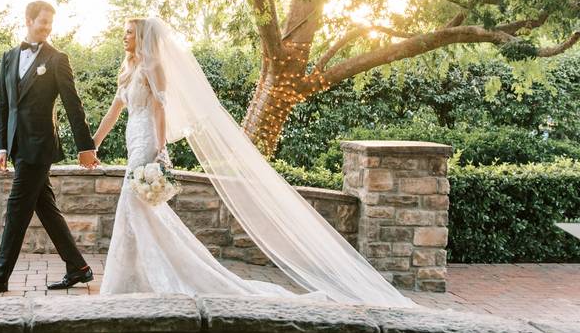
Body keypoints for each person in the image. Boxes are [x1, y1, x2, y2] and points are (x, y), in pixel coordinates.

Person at [91, 17, 416, 307]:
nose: (125, 37)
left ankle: (138, 278)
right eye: (124, 32)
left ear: (144, 37)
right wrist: (93, 144)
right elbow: (114, 112)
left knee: (134, 205)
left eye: (130, 33)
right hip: (133, 139)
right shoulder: (128, 68)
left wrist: (160, 151)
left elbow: (161, 108)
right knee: (141, 211)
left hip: (146, 140)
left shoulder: (153, 67)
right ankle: (135, 276)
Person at [0, 1, 100, 296]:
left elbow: (73, 105)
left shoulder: (57, 59)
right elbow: (3, 105)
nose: (47, 28)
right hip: (16, 146)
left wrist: (85, 146)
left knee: (16, 210)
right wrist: (1, 147)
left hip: (39, 146)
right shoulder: (9, 57)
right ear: (28, 20)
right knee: (45, 208)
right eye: (42, 23)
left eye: (50, 24)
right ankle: (78, 268)